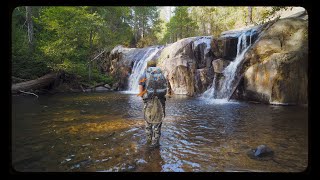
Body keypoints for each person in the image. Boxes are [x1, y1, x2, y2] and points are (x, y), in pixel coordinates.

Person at [137, 60, 166, 147]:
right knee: (158, 122)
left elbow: (140, 90)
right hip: (160, 101)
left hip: (148, 101)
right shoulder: (161, 74)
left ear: (147, 66)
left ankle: (149, 141)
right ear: (155, 65)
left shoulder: (144, 75)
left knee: (148, 122)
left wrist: (144, 98)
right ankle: (156, 143)